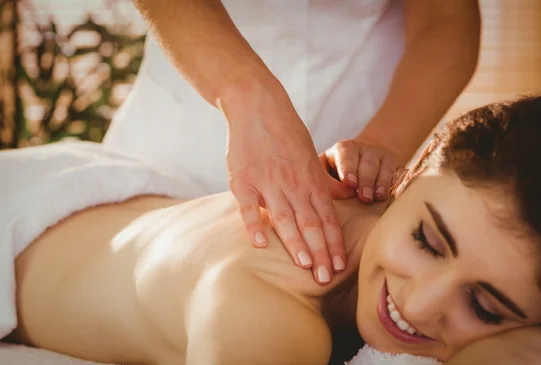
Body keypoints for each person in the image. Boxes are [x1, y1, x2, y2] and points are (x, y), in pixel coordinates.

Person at [8, 94, 541, 365]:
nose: (417, 305)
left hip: (116, 198)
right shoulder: (263, 317)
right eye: (426, 240)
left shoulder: (372, 215)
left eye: (486, 308)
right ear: (409, 174)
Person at [102, 0, 482, 283]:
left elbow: (448, 18)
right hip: (177, 125)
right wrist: (249, 101)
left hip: (357, 153)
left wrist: (386, 144)